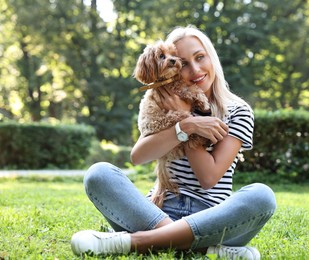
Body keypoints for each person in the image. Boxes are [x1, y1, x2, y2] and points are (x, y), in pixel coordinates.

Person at [71, 25, 276, 260]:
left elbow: (208, 178)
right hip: (156, 210)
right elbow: (138, 157)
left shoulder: (238, 111)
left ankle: (134, 241)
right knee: (99, 174)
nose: (195, 69)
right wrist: (185, 125)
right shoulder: (165, 101)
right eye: (184, 62)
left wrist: (187, 117)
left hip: (211, 218)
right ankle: (201, 248)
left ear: (212, 57)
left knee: (262, 196)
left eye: (200, 57)